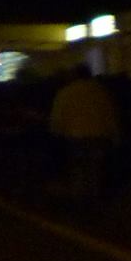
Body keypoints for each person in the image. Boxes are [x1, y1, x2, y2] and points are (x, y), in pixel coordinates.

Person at [49, 64, 120, 202]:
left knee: (78, 169)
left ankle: (79, 199)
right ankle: (94, 197)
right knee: (96, 170)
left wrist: (57, 133)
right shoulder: (101, 91)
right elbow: (110, 115)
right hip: (99, 137)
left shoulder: (66, 92)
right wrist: (115, 136)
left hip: (76, 137)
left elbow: (57, 117)